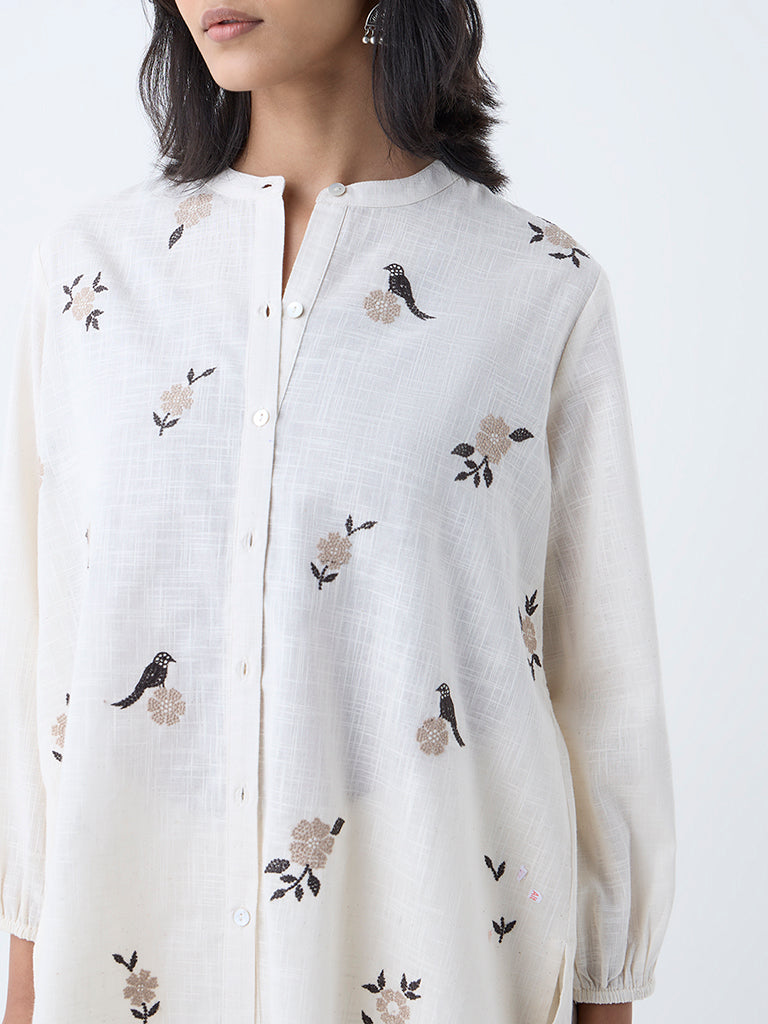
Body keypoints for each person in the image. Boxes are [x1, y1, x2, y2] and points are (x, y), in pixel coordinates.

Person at [0, 2, 675, 1022]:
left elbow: (602, 695)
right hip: (135, 956)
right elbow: (40, 658)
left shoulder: (538, 289)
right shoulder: (90, 277)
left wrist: (608, 990)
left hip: (434, 958)